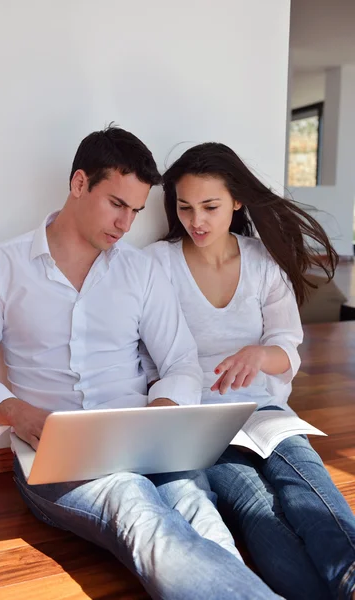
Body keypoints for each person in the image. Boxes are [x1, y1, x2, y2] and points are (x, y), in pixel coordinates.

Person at [0, 127, 282, 600]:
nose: (125, 224)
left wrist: (162, 411)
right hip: (54, 458)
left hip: (144, 441)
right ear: (79, 183)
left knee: (199, 510)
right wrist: (21, 415)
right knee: (138, 511)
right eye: (116, 204)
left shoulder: (140, 270)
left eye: (135, 211)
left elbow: (181, 361)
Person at [142, 141, 355, 600]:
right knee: (256, 509)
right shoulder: (155, 265)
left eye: (210, 206)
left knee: (304, 480)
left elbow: (286, 347)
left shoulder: (262, 261)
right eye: (185, 207)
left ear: (237, 201)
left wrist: (257, 356)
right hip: (198, 421)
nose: (196, 221)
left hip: (264, 411)